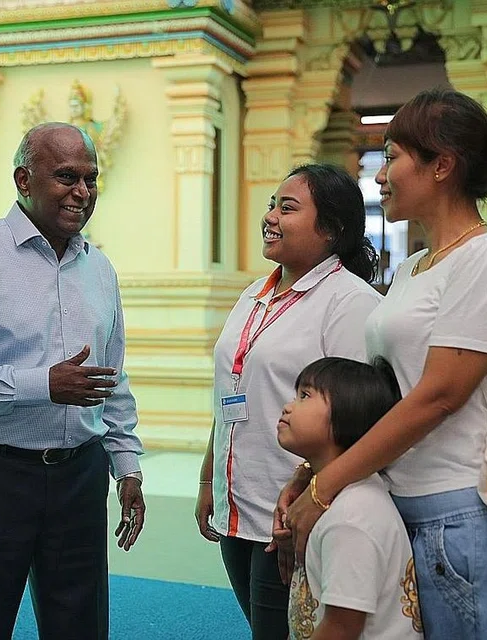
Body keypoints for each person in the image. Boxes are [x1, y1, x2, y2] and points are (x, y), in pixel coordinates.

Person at [281, 88, 487, 639]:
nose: (379, 176)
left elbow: (439, 397)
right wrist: (311, 472)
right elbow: (387, 392)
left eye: (392, 157)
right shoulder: (414, 268)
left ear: (441, 165)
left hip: (461, 510)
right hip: (404, 503)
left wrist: (326, 487)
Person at [0, 122, 145, 640]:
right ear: (24, 180)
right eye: (67, 177)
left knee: (81, 629)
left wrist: (127, 467)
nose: (82, 192)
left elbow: (112, 378)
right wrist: (42, 385)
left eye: (91, 179)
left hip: (80, 478)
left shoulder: (100, 269)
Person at [195, 163, 382, 639]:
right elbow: (233, 389)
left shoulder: (349, 302)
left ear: (331, 228)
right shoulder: (254, 294)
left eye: (288, 207)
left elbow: (356, 420)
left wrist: (312, 496)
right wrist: (209, 478)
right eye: (271, 205)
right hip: (238, 503)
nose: (271, 216)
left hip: (290, 514)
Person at [278, 357, 422, 640]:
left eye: (305, 396)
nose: (288, 406)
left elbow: (341, 628)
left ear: (347, 415)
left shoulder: (351, 517)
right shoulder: (344, 497)